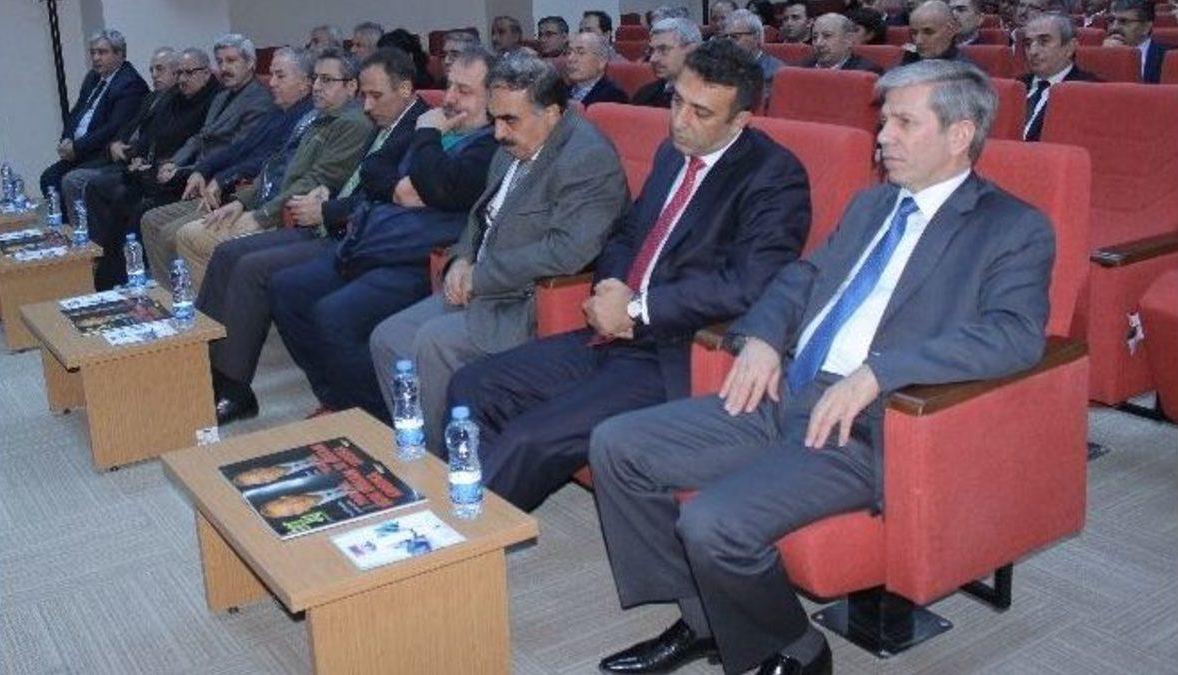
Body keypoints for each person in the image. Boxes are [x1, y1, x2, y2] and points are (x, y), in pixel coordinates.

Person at [589, 59, 1054, 675]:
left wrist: (881, 371)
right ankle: (705, 620)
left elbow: (1015, 335)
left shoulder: (1012, 227)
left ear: (959, 134)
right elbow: (803, 277)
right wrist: (761, 337)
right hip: (788, 391)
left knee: (712, 523)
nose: (882, 136)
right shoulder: (874, 205)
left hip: (865, 425)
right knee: (617, 445)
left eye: (903, 123)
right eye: (884, 121)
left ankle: (800, 649)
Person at [446, 39, 812, 513]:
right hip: (609, 331)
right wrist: (613, 287)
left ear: (740, 119)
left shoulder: (774, 175)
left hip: (673, 350)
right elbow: (627, 234)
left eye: (701, 112)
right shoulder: (673, 154)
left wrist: (638, 310)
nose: (679, 120)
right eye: (677, 101)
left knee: (530, 437)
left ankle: (462, 531)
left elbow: (748, 284)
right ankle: (479, 511)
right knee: (473, 385)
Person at [368, 53, 628, 456]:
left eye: (510, 120)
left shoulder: (587, 158)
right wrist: (461, 259)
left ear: (552, 113)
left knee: (434, 343)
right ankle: (418, 447)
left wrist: (480, 276)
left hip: (524, 301)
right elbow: (481, 216)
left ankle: (442, 465)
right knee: (388, 338)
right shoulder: (515, 142)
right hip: (479, 284)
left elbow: (567, 251)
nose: (499, 133)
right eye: (495, 119)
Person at [270, 46, 501, 421]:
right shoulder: (437, 126)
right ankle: (336, 398)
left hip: (419, 255)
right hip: (374, 240)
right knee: (286, 289)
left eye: (465, 91)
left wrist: (427, 136)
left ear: (493, 97)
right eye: (450, 87)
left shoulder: (489, 144)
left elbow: (442, 188)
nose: (450, 99)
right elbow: (375, 166)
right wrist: (399, 189)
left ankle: (375, 417)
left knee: (333, 316)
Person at [201, 48, 429, 424]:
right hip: (335, 220)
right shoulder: (382, 120)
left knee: (255, 271)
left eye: (375, 95)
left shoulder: (417, 128)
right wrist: (328, 197)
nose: (367, 105)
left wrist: (329, 207)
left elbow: (388, 195)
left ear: (404, 89)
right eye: (366, 95)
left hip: (355, 234)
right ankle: (205, 369)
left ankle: (236, 388)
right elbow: (356, 180)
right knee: (229, 254)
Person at [173, 48, 373, 284]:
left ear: (351, 86)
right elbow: (275, 164)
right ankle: (212, 303)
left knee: (191, 236)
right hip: (269, 204)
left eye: (327, 80)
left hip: (289, 216)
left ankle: (212, 307)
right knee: (188, 235)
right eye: (317, 78)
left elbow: (317, 179)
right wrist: (241, 201)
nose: (317, 86)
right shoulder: (317, 117)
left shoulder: (352, 124)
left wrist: (263, 215)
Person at [141, 47, 308, 286]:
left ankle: (189, 300)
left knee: (174, 234)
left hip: (246, 192)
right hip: (222, 183)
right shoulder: (277, 110)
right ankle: (168, 294)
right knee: (150, 220)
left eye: (280, 76)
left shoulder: (302, 118)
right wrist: (203, 169)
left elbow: (267, 161)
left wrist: (222, 178)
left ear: (305, 82)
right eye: (271, 75)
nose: (272, 83)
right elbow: (238, 147)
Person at [82, 47, 220, 289]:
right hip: (156, 170)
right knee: (121, 197)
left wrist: (164, 165)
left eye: (189, 73)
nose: (182, 79)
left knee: (136, 206)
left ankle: (127, 277)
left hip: (185, 177)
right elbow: (153, 134)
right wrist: (139, 157)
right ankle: (110, 279)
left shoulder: (213, 100)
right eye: (179, 73)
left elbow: (198, 143)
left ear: (207, 73)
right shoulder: (175, 97)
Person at [59, 46, 179, 223]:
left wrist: (133, 154)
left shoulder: (175, 101)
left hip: (140, 163)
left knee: (79, 181)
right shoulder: (150, 98)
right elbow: (126, 128)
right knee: (68, 177)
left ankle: (91, 237)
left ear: (176, 72)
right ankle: (82, 234)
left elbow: (157, 138)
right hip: (120, 158)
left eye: (159, 69)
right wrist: (115, 144)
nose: (154, 75)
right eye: (152, 70)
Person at [40, 29, 149, 223]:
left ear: (120, 54)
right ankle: (65, 229)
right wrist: (67, 139)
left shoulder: (130, 83)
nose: (96, 58)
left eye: (102, 52)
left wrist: (77, 148)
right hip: (82, 151)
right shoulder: (93, 77)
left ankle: (82, 233)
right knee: (49, 178)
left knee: (68, 180)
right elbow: (76, 113)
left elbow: (113, 128)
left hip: (102, 153)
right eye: (93, 53)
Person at [1020, 14, 1098, 141]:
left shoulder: (1091, 91)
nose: (1033, 51)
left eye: (1044, 42)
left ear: (1070, 48)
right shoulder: (1017, 85)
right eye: (1028, 44)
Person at [632, 18, 703, 108]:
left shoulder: (714, 97)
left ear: (691, 50)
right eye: (652, 51)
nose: (653, 59)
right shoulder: (644, 95)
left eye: (663, 49)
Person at [1105, 0, 1176, 83]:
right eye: (1111, 20)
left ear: (1146, 27)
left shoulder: (1169, 58)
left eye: (1124, 22)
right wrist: (1106, 55)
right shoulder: (1098, 56)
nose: (1114, 27)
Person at [724, 10, 784, 101]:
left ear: (756, 37)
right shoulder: (722, 67)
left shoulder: (775, 71)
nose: (728, 43)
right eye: (726, 38)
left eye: (735, 37)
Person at [566, 33, 630, 106]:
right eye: (569, 52)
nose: (570, 58)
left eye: (580, 53)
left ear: (601, 62)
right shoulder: (561, 91)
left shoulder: (614, 96)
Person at [806, 13, 884, 71]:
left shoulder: (866, 71)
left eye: (827, 36)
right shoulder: (802, 67)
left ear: (848, 40)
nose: (819, 43)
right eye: (815, 37)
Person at [902, 1, 969, 64]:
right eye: (914, 33)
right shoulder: (909, 59)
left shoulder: (964, 70)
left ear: (950, 31)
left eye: (928, 32)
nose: (918, 41)